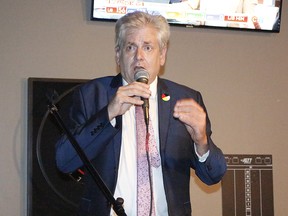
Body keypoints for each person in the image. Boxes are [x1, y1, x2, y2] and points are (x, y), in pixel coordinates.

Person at [55, 11, 227, 216]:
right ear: (118, 54)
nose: (139, 57)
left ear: (162, 55)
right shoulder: (92, 95)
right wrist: (108, 114)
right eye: (130, 47)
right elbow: (64, 162)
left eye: (148, 47)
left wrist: (201, 141)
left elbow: (213, 175)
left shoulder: (186, 99)